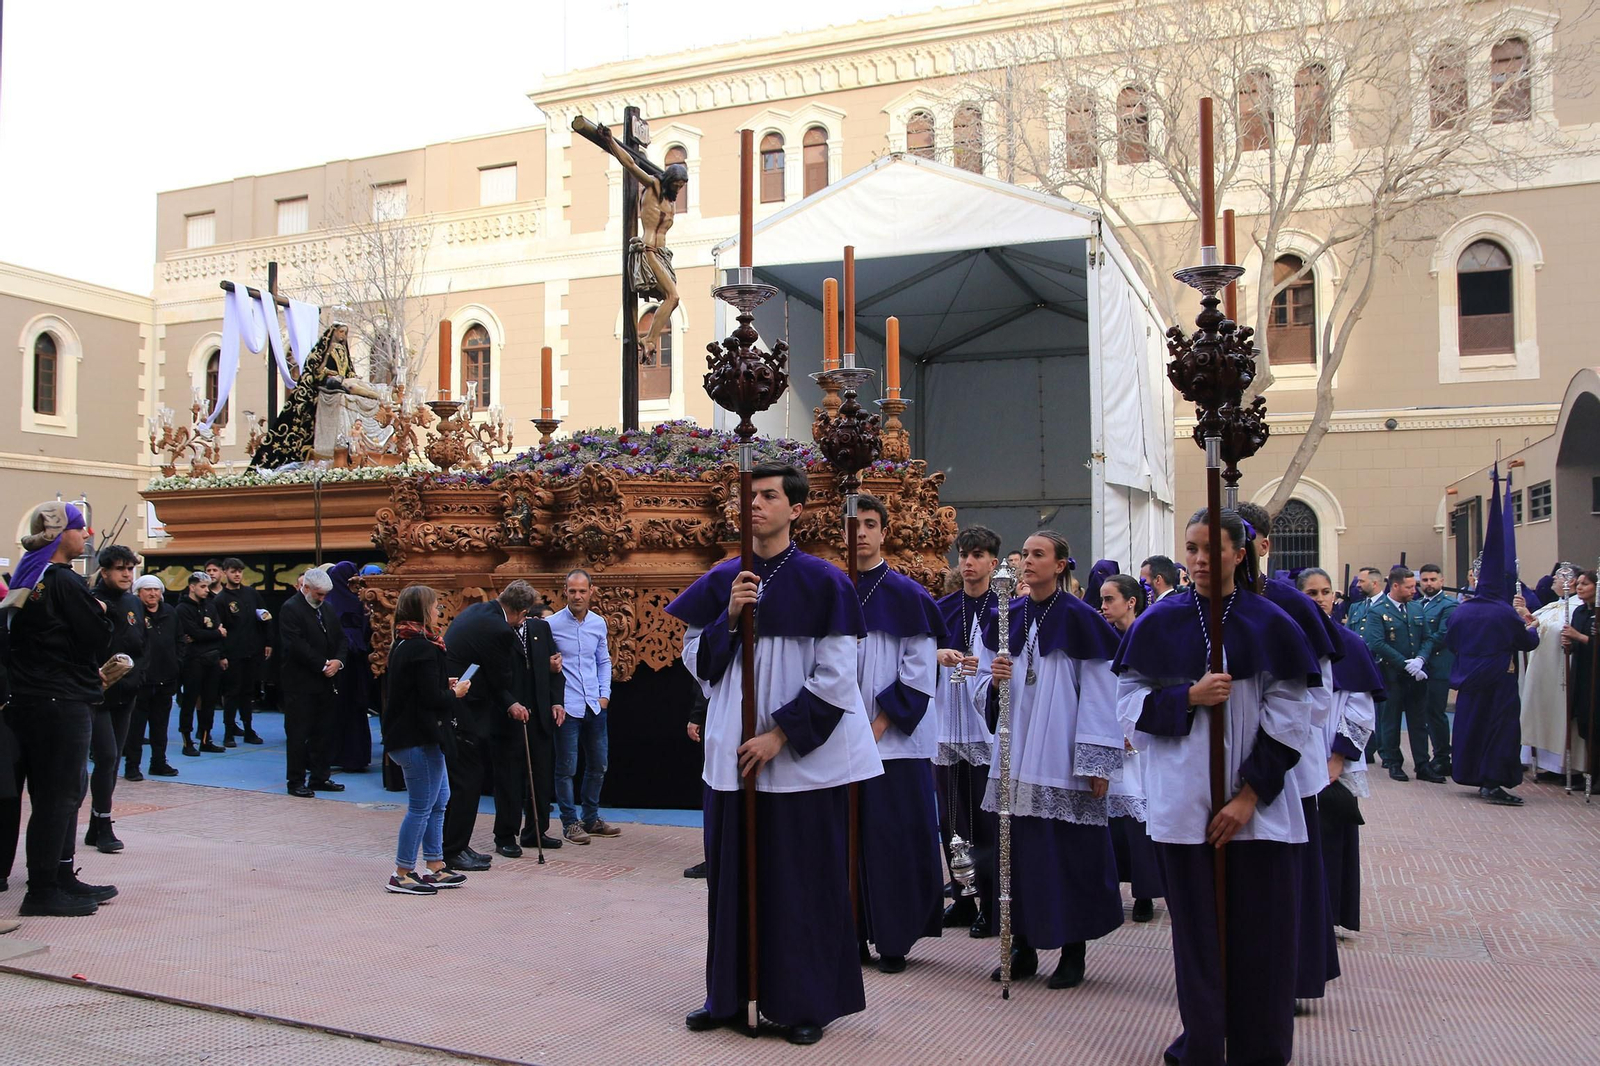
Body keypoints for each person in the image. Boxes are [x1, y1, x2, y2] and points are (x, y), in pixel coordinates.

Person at [666, 463, 881, 1046]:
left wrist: (779, 736)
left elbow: (838, 675)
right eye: (749, 496)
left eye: (767, 496)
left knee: (800, 882)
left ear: (796, 510)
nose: (755, 505)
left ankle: (805, 1002)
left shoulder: (824, 581)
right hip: (731, 758)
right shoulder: (723, 578)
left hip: (799, 763)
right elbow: (696, 662)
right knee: (731, 880)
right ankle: (729, 995)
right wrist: (730, 617)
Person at [1114, 507, 1319, 1066]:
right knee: (1198, 939)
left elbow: (1292, 714)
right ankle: (1204, 1046)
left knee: (1262, 938)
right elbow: (1127, 705)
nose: (1200, 560)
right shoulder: (1160, 620)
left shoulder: (1270, 621)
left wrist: (1248, 797)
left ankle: (1259, 1050)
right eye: (1192, 549)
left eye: (1211, 549)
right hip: (1184, 804)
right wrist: (1188, 697)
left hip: (1259, 810)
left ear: (1238, 553)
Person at [974, 531, 1126, 990]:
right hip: (1017, 752)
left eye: (1038, 554)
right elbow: (983, 683)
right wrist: (995, 681)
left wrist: (1096, 762)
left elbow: (1101, 694)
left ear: (1060, 565)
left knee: (1069, 855)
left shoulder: (1082, 619)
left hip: (1062, 753)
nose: (1028, 561)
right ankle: (1021, 947)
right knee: (1016, 854)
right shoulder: (1005, 616)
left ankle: (1073, 952)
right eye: (1025, 554)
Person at [1236, 500, 1344, 1005]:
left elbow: (1318, 695)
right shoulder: (1200, 605)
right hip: (1221, 764)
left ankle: (1295, 976)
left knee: (1289, 875)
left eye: (1242, 540)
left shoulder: (1292, 605)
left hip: (1285, 761)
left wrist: (1270, 739)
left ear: (1263, 545)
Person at [0, 501, 115, 917]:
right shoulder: (63, 581)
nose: (87, 535)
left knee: (55, 796)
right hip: (60, 699)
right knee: (58, 797)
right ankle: (44, 889)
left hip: (31, 698)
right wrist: (101, 611)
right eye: (80, 528)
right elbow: (96, 636)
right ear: (60, 533)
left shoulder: (28, 575)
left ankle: (60, 876)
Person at [851, 494, 946, 974]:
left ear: (884, 532)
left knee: (892, 842)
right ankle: (851, 936)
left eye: (871, 524)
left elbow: (918, 671)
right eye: (854, 524)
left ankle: (893, 940)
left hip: (894, 746)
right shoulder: (832, 588)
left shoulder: (908, 595)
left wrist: (877, 726)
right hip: (840, 743)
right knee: (846, 844)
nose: (861, 532)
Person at [1297, 567, 1382, 936]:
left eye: (1326, 592)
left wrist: (1337, 758)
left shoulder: (1351, 644)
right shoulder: (1289, 639)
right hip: (1296, 756)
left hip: (1334, 760)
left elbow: (1361, 709)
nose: (1320, 599)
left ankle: (1328, 915)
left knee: (1333, 840)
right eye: (1312, 593)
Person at [1449, 475, 1539, 806]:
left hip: (1469, 679)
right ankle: (1492, 781)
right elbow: (1526, 643)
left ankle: (1472, 773)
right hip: (1499, 680)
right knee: (1500, 730)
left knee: (1471, 727)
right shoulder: (1503, 613)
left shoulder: (1462, 610)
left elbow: (1451, 641)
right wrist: (1532, 627)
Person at [381, 585, 472, 895]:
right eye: (435, 607)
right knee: (421, 806)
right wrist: (454, 693)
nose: (438, 612)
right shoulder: (422, 647)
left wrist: (442, 684)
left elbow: (418, 688)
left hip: (415, 736)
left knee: (439, 800)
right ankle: (402, 872)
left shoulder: (405, 642)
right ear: (423, 611)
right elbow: (430, 699)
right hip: (417, 737)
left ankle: (435, 865)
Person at [442, 581, 538, 870]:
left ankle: (458, 845)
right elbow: (500, 679)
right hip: (464, 708)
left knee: (466, 779)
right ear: (522, 612)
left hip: (458, 699)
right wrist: (512, 702)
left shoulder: (480, 610)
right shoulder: (499, 629)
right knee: (467, 780)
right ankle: (453, 850)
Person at [933, 525, 1001, 937]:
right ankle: (962, 898)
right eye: (964, 555)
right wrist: (937, 652)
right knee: (951, 820)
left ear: (993, 562)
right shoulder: (942, 607)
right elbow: (921, 653)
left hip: (985, 731)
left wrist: (987, 669)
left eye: (977, 555)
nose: (969, 562)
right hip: (946, 725)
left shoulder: (1006, 611)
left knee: (985, 820)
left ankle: (990, 905)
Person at [1099, 572, 1163, 923]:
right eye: (1102, 599)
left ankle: (1145, 892)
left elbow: (1151, 685)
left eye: (1110, 599)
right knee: (1111, 820)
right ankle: (1110, 888)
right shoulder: (1101, 636)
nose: (1103, 606)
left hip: (1140, 738)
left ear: (1131, 602)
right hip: (1108, 733)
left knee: (1140, 817)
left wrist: (1134, 725)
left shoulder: (1148, 636)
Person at [490, 596, 566, 858]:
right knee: (509, 779)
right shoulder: (498, 630)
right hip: (510, 714)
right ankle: (505, 835)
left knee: (541, 776)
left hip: (540, 714)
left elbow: (556, 669)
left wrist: (556, 701)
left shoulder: (540, 628)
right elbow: (496, 674)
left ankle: (536, 830)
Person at [547, 569, 618, 844]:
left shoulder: (598, 623)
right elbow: (542, 662)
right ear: (565, 591)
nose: (577, 596)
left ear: (592, 592)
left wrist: (604, 695)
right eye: (572, 591)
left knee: (599, 765)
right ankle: (570, 823)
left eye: (582, 591)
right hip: (567, 706)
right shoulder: (551, 624)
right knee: (566, 767)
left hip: (595, 705)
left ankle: (591, 818)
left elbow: (603, 661)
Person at [85, 545, 146, 854]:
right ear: (105, 571)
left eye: (130, 568)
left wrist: (137, 677)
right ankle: (104, 824)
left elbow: (141, 645)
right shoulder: (91, 601)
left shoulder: (134, 602)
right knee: (106, 757)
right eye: (120, 569)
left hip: (127, 692)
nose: (126, 574)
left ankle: (96, 824)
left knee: (114, 759)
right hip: (98, 694)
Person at [1359, 566, 1441, 782]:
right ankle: (1394, 762)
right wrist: (1405, 664)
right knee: (1391, 721)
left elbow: (1427, 638)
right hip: (1392, 675)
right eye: (1409, 587)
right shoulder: (1378, 611)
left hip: (1417, 675)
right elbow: (1376, 643)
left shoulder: (1416, 608)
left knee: (1418, 722)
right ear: (1395, 586)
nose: (1414, 590)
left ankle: (1422, 764)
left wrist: (1420, 659)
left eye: (1414, 586)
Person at [278, 568, 348, 798]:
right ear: (305, 588)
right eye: (318, 594)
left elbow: (341, 639)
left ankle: (320, 776)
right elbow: (296, 645)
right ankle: (296, 781)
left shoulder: (327, 608)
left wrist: (338, 661)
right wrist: (323, 664)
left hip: (326, 682)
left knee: (324, 732)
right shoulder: (291, 608)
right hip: (300, 683)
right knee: (298, 734)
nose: (322, 598)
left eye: (325, 595)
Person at [1519, 566, 1578, 778]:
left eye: (1559, 576)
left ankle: (1565, 768)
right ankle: (1548, 766)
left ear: (1571, 581)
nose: (1553, 578)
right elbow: (1535, 624)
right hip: (1541, 671)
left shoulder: (1576, 608)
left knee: (1561, 717)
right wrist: (1524, 614)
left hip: (1560, 672)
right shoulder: (1553, 605)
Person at [127, 576, 180, 780]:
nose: (152, 593)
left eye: (156, 589)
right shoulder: (134, 613)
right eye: (147, 589)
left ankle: (159, 762)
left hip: (166, 678)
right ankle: (132, 766)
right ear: (138, 592)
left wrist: (177, 663)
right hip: (142, 680)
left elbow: (180, 639)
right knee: (136, 727)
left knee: (160, 726)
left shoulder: (170, 612)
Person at [325, 561, 374, 772]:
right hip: (343, 665)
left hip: (351, 665)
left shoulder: (350, 603)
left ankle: (349, 757)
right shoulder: (334, 604)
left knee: (351, 709)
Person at [215, 557, 269, 747]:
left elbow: (265, 617)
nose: (237, 575)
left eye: (239, 571)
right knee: (232, 693)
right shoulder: (221, 599)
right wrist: (222, 655)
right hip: (232, 653)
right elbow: (219, 630)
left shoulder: (252, 594)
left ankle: (248, 729)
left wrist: (267, 642)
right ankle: (229, 731)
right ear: (225, 573)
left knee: (248, 692)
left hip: (252, 651)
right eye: (233, 571)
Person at [174, 571, 226, 756]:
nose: (206, 590)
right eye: (202, 587)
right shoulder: (182, 608)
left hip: (212, 658)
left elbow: (216, 629)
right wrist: (215, 633)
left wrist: (214, 638)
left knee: (209, 701)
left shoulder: (210, 605)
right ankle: (187, 741)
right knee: (189, 701)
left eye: (208, 587)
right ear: (192, 587)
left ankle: (205, 739)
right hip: (193, 660)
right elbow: (195, 633)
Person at [1417, 563, 1458, 778]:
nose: (1429, 584)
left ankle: (1442, 757)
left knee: (1435, 713)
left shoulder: (1449, 605)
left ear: (1441, 581)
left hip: (1437, 666)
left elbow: (1441, 635)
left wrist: (1420, 654)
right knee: (1421, 714)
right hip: (1418, 668)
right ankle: (1427, 757)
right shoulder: (1416, 604)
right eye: (1425, 580)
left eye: (1433, 579)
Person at [1564, 570, 1597, 779]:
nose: (1580, 587)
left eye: (1585, 584)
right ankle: (1590, 774)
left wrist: (1580, 637)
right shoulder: (1579, 612)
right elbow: (1575, 644)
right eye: (1579, 584)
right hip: (1582, 674)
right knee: (1584, 723)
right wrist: (1568, 643)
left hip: (1596, 676)